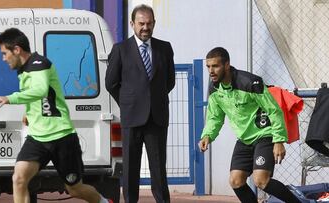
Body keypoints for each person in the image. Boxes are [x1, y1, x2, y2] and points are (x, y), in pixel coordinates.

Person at [0, 28, 112, 203]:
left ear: (16, 50)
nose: (3, 58)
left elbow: (40, 90)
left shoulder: (40, 63)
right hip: (38, 138)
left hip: (62, 136)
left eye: (4, 53)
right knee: (19, 178)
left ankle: (104, 202)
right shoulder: (23, 69)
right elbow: (37, 95)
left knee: (74, 188)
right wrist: (28, 112)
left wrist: (10, 98)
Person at [198, 47, 301, 203]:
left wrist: (278, 140)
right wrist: (207, 135)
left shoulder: (251, 82)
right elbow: (215, 117)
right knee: (235, 181)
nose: (211, 71)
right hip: (244, 139)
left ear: (227, 65)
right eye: (208, 67)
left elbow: (274, 111)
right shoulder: (214, 88)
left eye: (215, 66)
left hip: (264, 135)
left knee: (261, 180)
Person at [105, 4, 175, 203]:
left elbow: (169, 81)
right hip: (132, 118)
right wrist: (128, 102)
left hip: (157, 119)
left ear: (154, 24)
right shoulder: (120, 49)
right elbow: (111, 83)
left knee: (159, 170)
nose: (145, 27)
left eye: (149, 23)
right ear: (132, 24)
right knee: (130, 170)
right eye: (141, 23)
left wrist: (152, 100)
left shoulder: (164, 48)